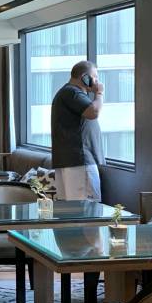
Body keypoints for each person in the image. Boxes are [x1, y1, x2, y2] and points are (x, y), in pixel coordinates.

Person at [50, 60, 105, 201]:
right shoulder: (72, 92)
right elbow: (94, 112)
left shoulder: (66, 92)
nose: (97, 81)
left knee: (73, 208)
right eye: (95, 77)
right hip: (79, 161)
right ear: (85, 77)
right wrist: (99, 93)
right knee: (88, 207)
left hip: (70, 161)